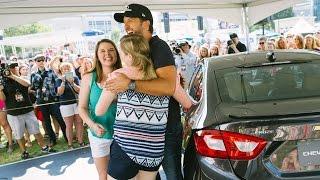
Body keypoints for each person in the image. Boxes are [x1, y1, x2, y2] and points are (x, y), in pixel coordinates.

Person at [96, 34, 192, 180]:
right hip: (153, 151)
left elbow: (99, 110)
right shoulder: (165, 80)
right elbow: (187, 104)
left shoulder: (118, 76)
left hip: (125, 147)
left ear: (128, 55)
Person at [111, 3, 184, 180]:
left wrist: (129, 84)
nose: (126, 26)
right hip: (142, 133)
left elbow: (168, 87)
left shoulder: (159, 47)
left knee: (173, 175)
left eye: (131, 21)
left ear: (146, 23)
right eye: (124, 22)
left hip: (164, 129)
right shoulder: (135, 48)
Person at [78, 39, 122, 180]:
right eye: (102, 51)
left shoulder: (125, 76)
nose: (107, 54)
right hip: (99, 136)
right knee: (103, 177)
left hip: (124, 136)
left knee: (123, 176)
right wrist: (92, 125)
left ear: (117, 53)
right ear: (96, 55)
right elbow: (82, 108)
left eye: (111, 50)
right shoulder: (89, 77)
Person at [0, 63, 55, 159]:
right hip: (14, 113)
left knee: (36, 131)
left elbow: (27, 84)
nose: (13, 69)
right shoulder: (3, 82)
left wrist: (13, 76)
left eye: (14, 68)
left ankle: (44, 147)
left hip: (27, 110)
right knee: (19, 134)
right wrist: (0, 90)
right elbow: (2, 99)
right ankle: (24, 152)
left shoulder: (21, 79)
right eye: (11, 68)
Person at [30, 54, 67, 146]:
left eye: (42, 60)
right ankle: (52, 140)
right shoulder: (33, 75)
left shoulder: (51, 72)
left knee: (60, 119)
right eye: (38, 60)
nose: (41, 62)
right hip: (42, 101)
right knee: (47, 122)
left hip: (53, 100)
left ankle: (67, 137)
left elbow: (57, 84)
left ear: (45, 61)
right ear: (35, 62)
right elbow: (33, 88)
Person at [56, 62, 83, 149]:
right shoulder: (58, 80)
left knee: (79, 123)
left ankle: (80, 141)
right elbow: (59, 92)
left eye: (68, 68)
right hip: (65, 105)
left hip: (76, 103)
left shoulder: (74, 78)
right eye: (64, 69)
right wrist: (63, 81)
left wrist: (72, 83)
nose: (66, 70)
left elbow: (79, 90)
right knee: (69, 125)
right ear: (61, 70)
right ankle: (70, 144)